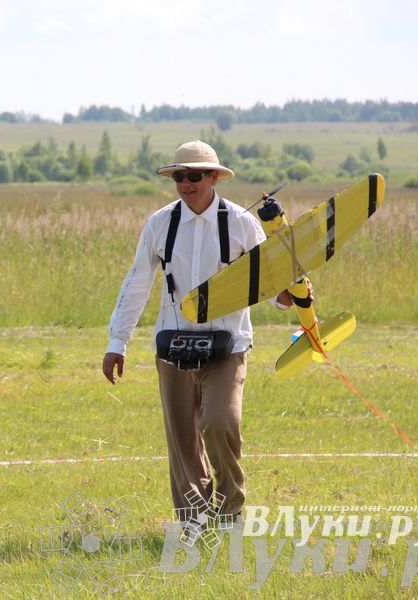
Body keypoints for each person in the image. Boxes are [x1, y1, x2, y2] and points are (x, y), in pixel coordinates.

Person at [102, 140, 294, 523]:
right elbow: (136, 282)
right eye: (178, 177)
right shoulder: (160, 223)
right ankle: (193, 519)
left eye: (193, 176)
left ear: (213, 177)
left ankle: (229, 513)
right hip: (172, 347)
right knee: (183, 442)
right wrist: (116, 343)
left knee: (221, 422)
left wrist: (293, 295)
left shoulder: (242, 223)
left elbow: (275, 285)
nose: (185, 183)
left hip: (228, 346)